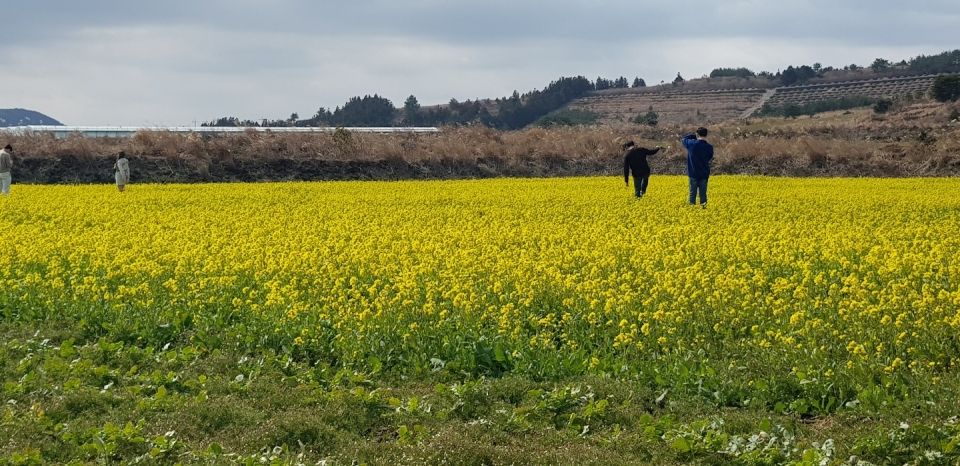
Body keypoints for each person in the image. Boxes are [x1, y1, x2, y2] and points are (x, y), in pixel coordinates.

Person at [681, 127, 714, 208]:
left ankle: (692, 210)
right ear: (706, 135)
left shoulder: (691, 144)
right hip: (704, 173)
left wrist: (694, 135)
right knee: (703, 194)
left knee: (692, 194)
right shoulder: (709, 147)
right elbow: (709, 157)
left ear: (697, 134)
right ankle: (704, 209)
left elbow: (683, 139)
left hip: (693, 172)